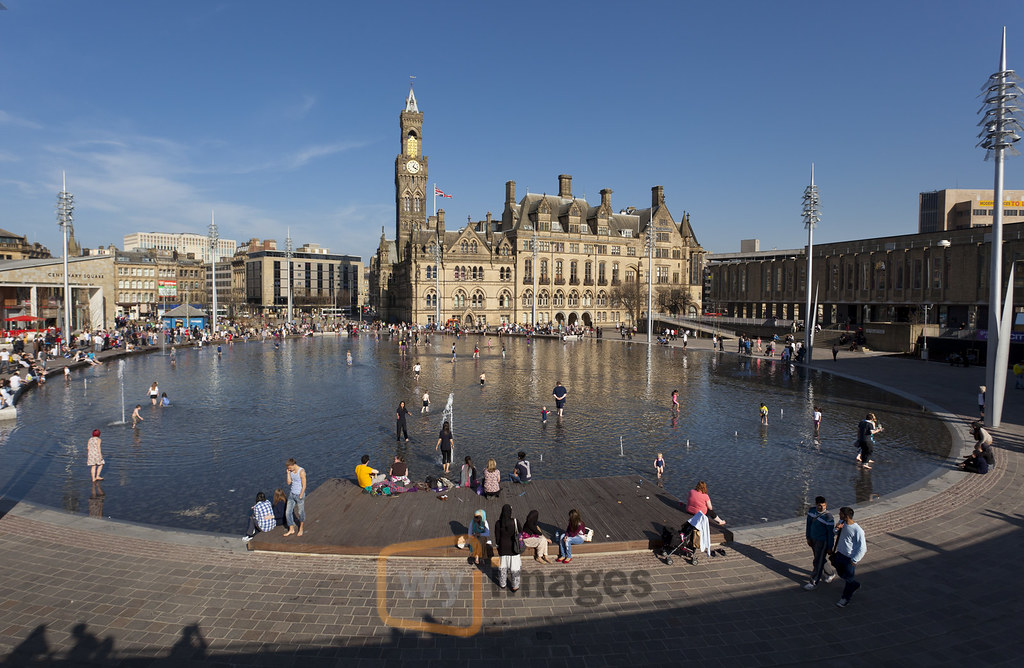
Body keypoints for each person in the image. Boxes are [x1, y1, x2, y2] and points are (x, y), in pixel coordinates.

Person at [833, 506, 867, 608]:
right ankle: (854, 584)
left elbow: (863, 547)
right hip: (840, 554)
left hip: (849, 558)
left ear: (846, 516)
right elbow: (835, 533)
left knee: (848, 579)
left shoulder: (858, 530)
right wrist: (836, 528)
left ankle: (845, 598)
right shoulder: (842, 523)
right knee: (841, 573)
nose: (839, 515)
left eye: (841, 514)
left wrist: (855, 559)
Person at [802, 496, 837, 590]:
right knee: (820, 558)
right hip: (813, 539)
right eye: (819, 506)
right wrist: (808, 537)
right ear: (816, 504)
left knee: (817, 561)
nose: (822, 508)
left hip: (823, 542)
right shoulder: (811, 512)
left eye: (823, 505)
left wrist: (830, 546)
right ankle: (830, 573)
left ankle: (814, 582)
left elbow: (830, 534)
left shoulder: (828, 517)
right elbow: (808, 525)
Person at [494, 504, 522, 590]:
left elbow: (497, 538)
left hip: (502, 548)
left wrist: (498, 546)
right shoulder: (515, 521)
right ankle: (515, 586)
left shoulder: (498, 523)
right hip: (514, 549)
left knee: (502, 568)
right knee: (515, 569)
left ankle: (502, 584)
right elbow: (520, 532)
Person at [283, 458, 306, 537]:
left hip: (299, 494)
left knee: (300, 513)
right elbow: (289, 483)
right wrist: (288, 473)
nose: (288, 469)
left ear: (293, 465)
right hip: (292, 494)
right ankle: (291, 529)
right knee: (288, 512)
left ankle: (301, 528)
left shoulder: (301, 471)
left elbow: (304, 485)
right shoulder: (290, 471)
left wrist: (301, 495)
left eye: (289, 467)